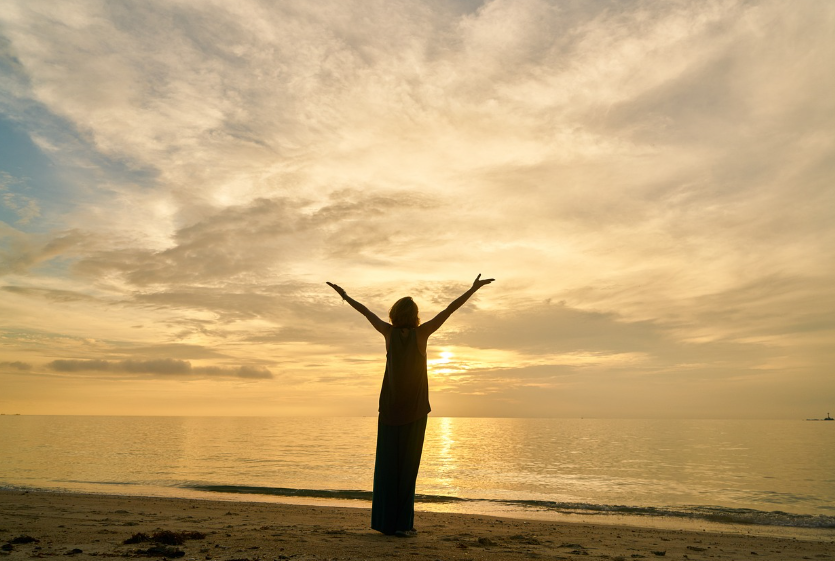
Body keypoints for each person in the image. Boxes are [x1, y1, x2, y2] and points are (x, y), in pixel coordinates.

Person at [327, 274, 495, 537]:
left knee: (386, 468)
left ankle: (385, 524)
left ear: (394, 314)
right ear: (415, 315)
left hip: (390, 412)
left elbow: (366, 312)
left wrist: (345, 296)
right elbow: (449, 310)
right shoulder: (422, 333)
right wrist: (472, 290)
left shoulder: (388, 332)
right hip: (415, 413)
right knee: (407, 470)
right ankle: (403, 525)